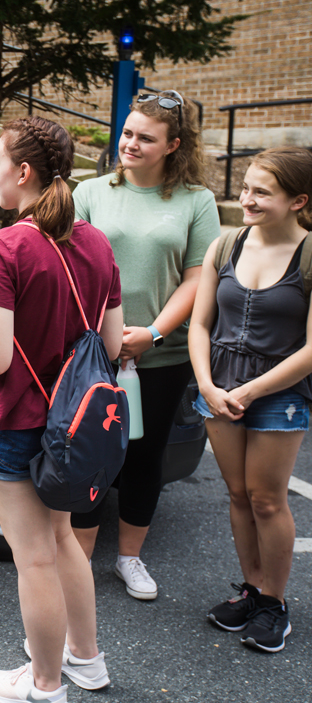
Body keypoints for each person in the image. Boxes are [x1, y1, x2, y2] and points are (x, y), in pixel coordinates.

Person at [0, 117, 122, 703]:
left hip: (16, 420)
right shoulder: (98, 243)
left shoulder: (5, 247)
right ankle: (87, 662)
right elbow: (109, 346)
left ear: (23, 172)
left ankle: (45, 683)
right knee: (63, 540)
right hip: (75, 425)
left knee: (33, 559)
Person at [70, 90, 220, 600]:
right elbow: (69, 267)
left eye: (145, 138)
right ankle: (80, 560)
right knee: (88, 451)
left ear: (173, 145)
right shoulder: (89, 192)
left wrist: (152, 333)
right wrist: (111, 336)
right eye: (127, 132)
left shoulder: (196, 202)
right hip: (91, 350)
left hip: (162, 354)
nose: (130, 144)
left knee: (143, 455)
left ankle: (129, 559)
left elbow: (199, 277)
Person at [188, 147, 312, 653]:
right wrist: (206, 386)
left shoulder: (309, 254)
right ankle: (253, 589)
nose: (246, 199)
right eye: (245, 188)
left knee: (266, 498)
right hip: (217, 389)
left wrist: (247, 391)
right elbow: (200, 324)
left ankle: (274, 605)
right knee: (238, 495)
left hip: (278, 396)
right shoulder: (225, 245)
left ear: (298, 200)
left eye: (262, 192)